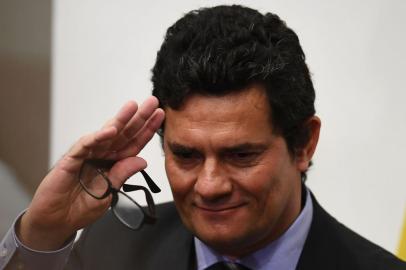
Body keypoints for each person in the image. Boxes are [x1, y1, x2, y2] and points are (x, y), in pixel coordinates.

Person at [1, 5, 405, 270]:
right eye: (187, 155)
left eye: (241, 155)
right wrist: (42, 236)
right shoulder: (111, 249)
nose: (210, 186)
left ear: (304, 143)